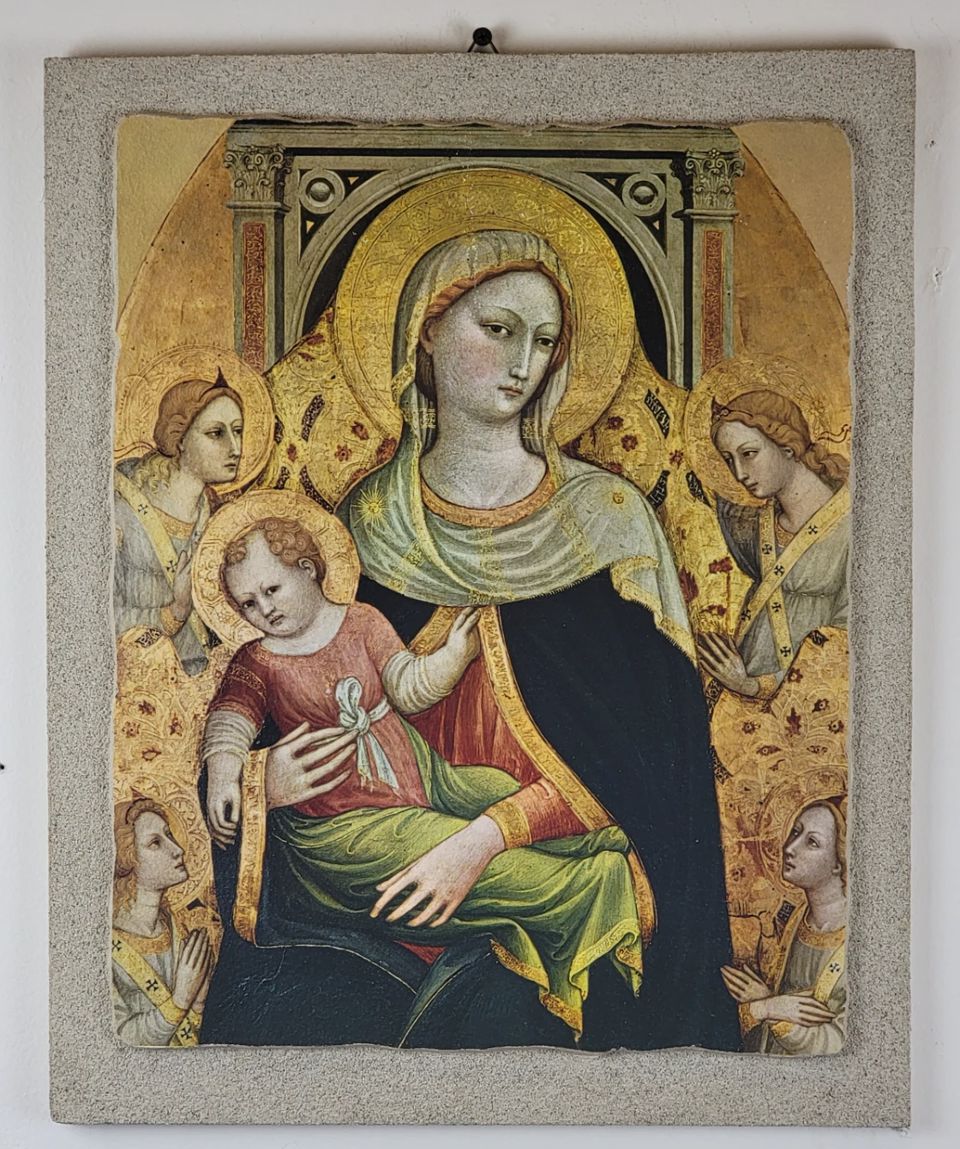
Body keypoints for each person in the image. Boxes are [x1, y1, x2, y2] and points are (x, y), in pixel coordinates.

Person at [322, 228, 738, 1051]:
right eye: (499, 329)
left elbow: (654, 763)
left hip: (574, 896)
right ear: (426, 332)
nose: (524, 363)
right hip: (389, 893)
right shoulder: (363, 528)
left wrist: (484, 840)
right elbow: (316, 706)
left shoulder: (607, 524)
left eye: (545, 341)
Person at [201, 514, 644, 1038]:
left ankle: (595, 844)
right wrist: (226, 770)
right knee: (459, 849)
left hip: (422, 778)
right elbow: (231, 718)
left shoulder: (362, 621)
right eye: (248, 604)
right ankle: (596, 884)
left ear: (308, 569)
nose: (264, 609)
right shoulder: (258, 660)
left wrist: (452, 658)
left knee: (496, 790)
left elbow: (408, 688)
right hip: (347, 826)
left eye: (271, 590)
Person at [697, 389, 850, 699]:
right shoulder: (754, 526)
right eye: (729, 459)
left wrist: (754, 685)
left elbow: (845, 641)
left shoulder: (850, 525)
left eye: (748, 454)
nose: (739, 474)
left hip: (803, 702)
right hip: (740, 694)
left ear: (787, 446)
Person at [114, 370, 244, 675]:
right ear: (180, 437)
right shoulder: (121, 512)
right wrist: (175, 612)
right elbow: (99, 619)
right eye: (216, 433)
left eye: (238, 431)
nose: (236, 448)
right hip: (143, 678)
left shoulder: (218, 517)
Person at [720, 797, 847, 1054]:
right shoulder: (797, 917)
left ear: (839, 862)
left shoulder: (852, 939)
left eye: (812, 842)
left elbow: (838, 1043)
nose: (789, 847)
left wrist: (767, 1008)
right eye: (795, 832)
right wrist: (770, 1002)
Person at [112, 796, 213, 1046]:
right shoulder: (109, 946)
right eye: (155, 843)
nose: (177, 849)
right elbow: (122, 1039)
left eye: (169, 835)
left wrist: (199, 1004)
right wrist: (181, 1000)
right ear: (126, 858)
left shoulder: (179, 930)